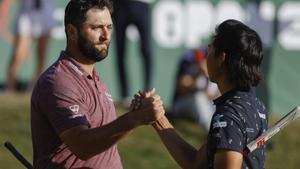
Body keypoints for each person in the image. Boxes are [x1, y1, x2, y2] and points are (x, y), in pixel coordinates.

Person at [30, 0, 164, 168]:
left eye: (109, 27)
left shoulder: (95, 79)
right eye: (96, 28)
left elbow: (104, 142)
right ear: (72, 32)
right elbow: (82, 145)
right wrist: (135, 118)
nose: (106, 36)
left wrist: (135, 114)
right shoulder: (58, 81)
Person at [135, 19, 268, 169]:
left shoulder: (228, 116)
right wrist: (158, 118)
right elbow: (195, 162)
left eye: (210, 48)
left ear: (221, 58)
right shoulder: (257, 106)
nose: (207, 54)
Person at [2, 0, 55, 92]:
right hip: (27, 12)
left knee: (41, 54)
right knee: (18, 54)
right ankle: (10, 86)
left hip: (45, 12)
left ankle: (36, 87)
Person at [113, 0, 153, 106]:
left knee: (146, 50)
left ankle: (148, 92)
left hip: (142, 4)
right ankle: (124, 95)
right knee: (120, 51)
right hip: (120, 5)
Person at [169, 48, 219, 131]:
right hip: (182, 103)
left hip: (205, 105)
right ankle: (211, 130)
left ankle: (220, 129)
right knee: (198, 97)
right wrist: (199, 74)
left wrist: (207, 77)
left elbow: (213, 96)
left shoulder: (216, 68)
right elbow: (182, 89)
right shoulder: (191, 61)